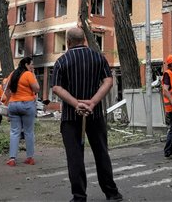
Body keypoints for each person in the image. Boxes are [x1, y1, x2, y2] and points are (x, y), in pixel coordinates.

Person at [51, 27, 122, 202]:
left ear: (68, 43)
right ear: (84, 40)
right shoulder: (98, 57)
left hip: (70, 116)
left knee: (75, 156)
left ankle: (79, 196)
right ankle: (112, 193)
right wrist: (93, 101)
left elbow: (56, 87)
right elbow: (108, 80)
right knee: (101, 153)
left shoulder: (61, 61)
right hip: (95, 114)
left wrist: (76, 103)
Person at [5, 57, 39, 167]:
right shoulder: (28, 74)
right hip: (26, 105)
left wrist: (10, 99)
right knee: (28, 132)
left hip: (13, 105)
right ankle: (29, 158)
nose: (32, 67)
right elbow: (37, 89)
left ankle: (12, 159)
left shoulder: (13, 74)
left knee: (14, 132)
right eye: (31, 64)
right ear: (26, 64)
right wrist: (33, 74)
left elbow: (5, 88)